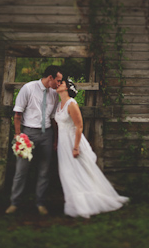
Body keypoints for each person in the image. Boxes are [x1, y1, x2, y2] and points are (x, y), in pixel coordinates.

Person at [55, 78, 129, 218]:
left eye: (61, 83)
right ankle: (75, 204)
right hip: (62, 144)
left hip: (73, 142)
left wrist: (76, 147)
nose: (58, 84)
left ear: (67, 87)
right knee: (67, 173)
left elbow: (79, 126)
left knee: (79, 172)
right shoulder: (60, 104)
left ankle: (85, 204)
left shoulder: (72, 104)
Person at [5, 65, 63, 216]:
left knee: (44, 171)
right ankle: (15, 203)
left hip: (47, 135)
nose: (59, 84)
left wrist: (55, 140)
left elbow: (54, 119)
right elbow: (18, 114)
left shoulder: (54, 94)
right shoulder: (28, 88)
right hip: (28, 133)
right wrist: (19, 136)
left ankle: (40, 203)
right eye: (57, 80)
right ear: (50, 77)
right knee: (21, 170)